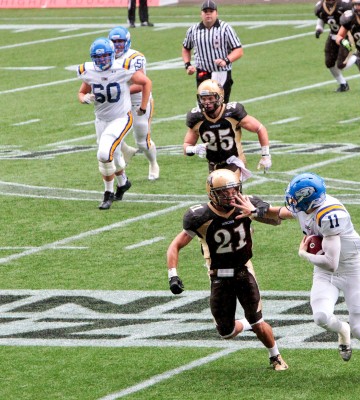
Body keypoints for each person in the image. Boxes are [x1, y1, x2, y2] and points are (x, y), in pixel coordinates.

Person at [234, 172, 360, 378]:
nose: (292, 202)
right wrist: (255, 211)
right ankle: (342, 329)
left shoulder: (331, 215)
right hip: (324, 272)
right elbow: (282, 213)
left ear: (310, 199)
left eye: (296, 199)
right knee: (321, 317)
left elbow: (332, 263)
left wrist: (304, 255)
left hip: (350, 270)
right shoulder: (306, 207)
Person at [166, 169, 288, 371]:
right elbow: (175, 245)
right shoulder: (199, 216)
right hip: (218, 277)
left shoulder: (246, 203)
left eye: (233, 190)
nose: (230, 195)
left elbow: (277, 219)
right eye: (224, 192)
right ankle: (247, 324)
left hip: (243, 271)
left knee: (258, 322)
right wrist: (173, 275)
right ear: (212, 193)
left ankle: (275, 356)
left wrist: (259, 212)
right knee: (226, 332)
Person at [77, 37, 151, 210]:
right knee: (114, 154)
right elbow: (81, 92)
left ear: (112, 55)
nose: (101, 60)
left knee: (104, 153)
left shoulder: (123, 68)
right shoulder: (88, 70)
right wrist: (84, 98)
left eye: (105, 56)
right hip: (101, 120)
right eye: (98, 57)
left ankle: (108, 193)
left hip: (121, 118)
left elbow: (146, 82)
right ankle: (123, 182)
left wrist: (143, 105)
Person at [183, 79, 271, 182]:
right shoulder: (196, 117)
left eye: (210, 98)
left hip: (234, 160)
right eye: (203, 99)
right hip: (213, 164)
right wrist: (194, 149)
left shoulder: (232, 113)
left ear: (220, 97)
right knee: (216, 196)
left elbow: (259, 128)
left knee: (229, 189)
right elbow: (186, 145)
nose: (207, 102)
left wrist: (266, 155)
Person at [109, 26, 160, 181]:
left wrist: (118, 90)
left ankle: (153, 163)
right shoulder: (106, 56)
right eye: (114, 41)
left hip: (137, 99)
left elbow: (141, 84)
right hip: (119, 101)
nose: (117, 44)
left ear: (127, 41)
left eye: (120, 41)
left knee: (142, 140)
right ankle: (126, 150)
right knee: (109, 133)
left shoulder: (135, 58)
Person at [182, 0, 243, 104]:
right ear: (201, 14)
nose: (208, 14)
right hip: (203, 73)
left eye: (211, 11)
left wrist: (226, 60)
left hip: (221, 73)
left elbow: (238, 50)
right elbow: (186, 48)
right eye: (205, 11)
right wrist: (188, 65)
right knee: (204, 106)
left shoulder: (225, 28)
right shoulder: (193, 30)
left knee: (220, 106)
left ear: (216, 13)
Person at [314, 0, 357, 92]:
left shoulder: (345, 5)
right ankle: (343, 84)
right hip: (333, 37)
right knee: (329, 62)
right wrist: (319, 28)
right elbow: (322, 17)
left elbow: (356, 18)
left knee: (342, 64)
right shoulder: (320, 7)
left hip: (345, 37)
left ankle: (357, 58)